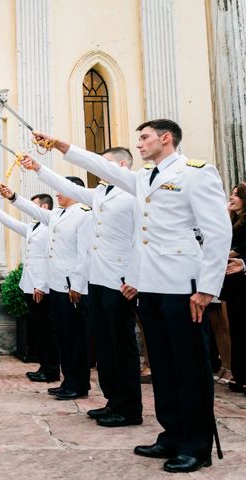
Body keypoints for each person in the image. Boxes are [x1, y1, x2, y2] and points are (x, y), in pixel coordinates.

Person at [33, 119, 231, 473]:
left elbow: (218, 231)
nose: (139, 144)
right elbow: (99, 166)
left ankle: (196, 444)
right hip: (151, 285)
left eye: (145, 138)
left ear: (165, 139)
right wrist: (59, 145)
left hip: (183, 286)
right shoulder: (143, 179)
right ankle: (171, 434)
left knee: (188, 366)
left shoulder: (196, 173)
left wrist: (206, 288)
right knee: (163, 366)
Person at [21, 149, 143, 427]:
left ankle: (129, 407)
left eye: (106, 163)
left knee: (121, 346)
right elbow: (65, 187)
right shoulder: (100, 194)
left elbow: (140, 237)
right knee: (105, 347)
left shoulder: (133, 191)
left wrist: (135, 277)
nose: (100, 168)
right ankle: (113, 401)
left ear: (123, 165)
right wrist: (38, 167)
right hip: (98, 281)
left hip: (120, 281)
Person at [0, 180, 92, 400]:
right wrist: (13, 197)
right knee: (64, 338)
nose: (57, 193)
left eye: (62, 189)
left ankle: (79, 385)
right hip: (57, 286)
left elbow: (84, 253)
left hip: (73, 287)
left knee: (75, 339)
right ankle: (69, 381)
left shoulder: (83, 214)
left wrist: (77, 285)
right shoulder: (58, 215)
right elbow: (33, 211)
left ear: (75, 191)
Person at [0, 194, 60, 382]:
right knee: (38, 329)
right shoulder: (34, 227)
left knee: (47, 330)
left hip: (43, 287)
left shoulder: (50, 227)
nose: (30, 211)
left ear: (45, 207)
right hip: (30, 285)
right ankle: (44, 366)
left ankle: (51, 370)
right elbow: (13, 224)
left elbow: (50, 259)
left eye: (34, 207)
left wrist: (41, 286)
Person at [221, 182, 246, 394]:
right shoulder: (233, 220)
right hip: (232, 281)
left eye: (236, 195)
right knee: (236, 328)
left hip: (243, 279)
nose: (231, 197)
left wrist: (236, 253)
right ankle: (239, 375)